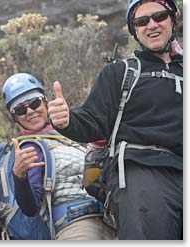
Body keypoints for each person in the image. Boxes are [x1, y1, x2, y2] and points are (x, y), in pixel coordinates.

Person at [48, 0, 182, 240]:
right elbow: (92, 121)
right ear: (135, 31)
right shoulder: (121, 72)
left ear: (174, 19)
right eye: (141, 21)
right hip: (143, 170)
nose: (152, 24)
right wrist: (66, 120)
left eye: (159, 16)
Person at [0, 73, 115, 240]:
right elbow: (30, 207)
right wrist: (20, 177)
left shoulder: (73, 136)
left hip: (110, 219)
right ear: (15, 118)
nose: (30, 111)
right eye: (20, 109)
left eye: (34, 103)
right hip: (75, 225)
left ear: (45, 102)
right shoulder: (30, 147)